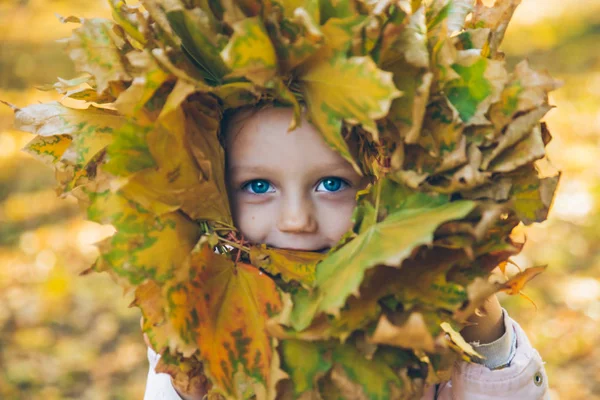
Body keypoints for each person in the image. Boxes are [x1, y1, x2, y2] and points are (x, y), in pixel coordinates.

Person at [143, 105, 549, 400]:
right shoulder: (205, 317)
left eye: (332, 184)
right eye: (259, 186)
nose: (296, 220)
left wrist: (488, 340)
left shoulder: (409, 317)